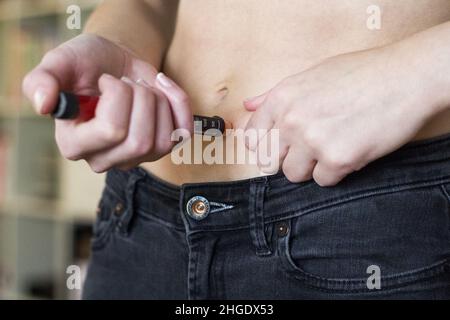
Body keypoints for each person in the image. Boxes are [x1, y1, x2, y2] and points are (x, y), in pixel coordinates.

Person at [22, 0, 450, 299]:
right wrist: (116, 45)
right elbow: (149, 4)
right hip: (143, 220)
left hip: (366, 219)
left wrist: (411, 75)